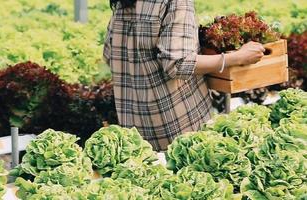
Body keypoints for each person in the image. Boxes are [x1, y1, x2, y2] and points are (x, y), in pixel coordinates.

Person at [103, 0, 265, 151]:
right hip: (179, 128)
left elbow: (109, 54)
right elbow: (178, 63)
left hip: (134, 128)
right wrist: (236, 57)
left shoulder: (122, 3)